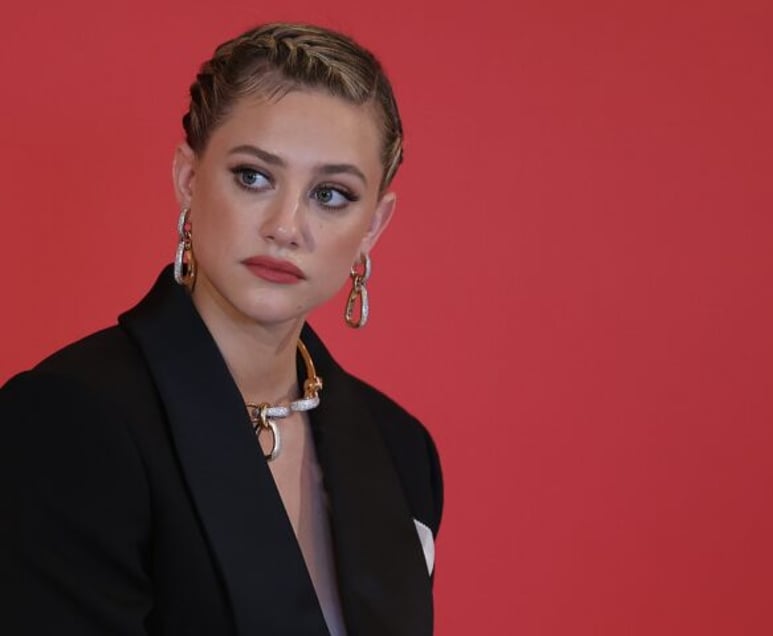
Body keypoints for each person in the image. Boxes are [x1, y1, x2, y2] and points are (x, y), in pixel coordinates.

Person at [0, 23, 442, 636]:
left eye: (332, 194)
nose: (287, 227)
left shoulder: (401, 451)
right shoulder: (67, 421)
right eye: (254, 176)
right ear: (188, 177)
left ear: (373, 226)